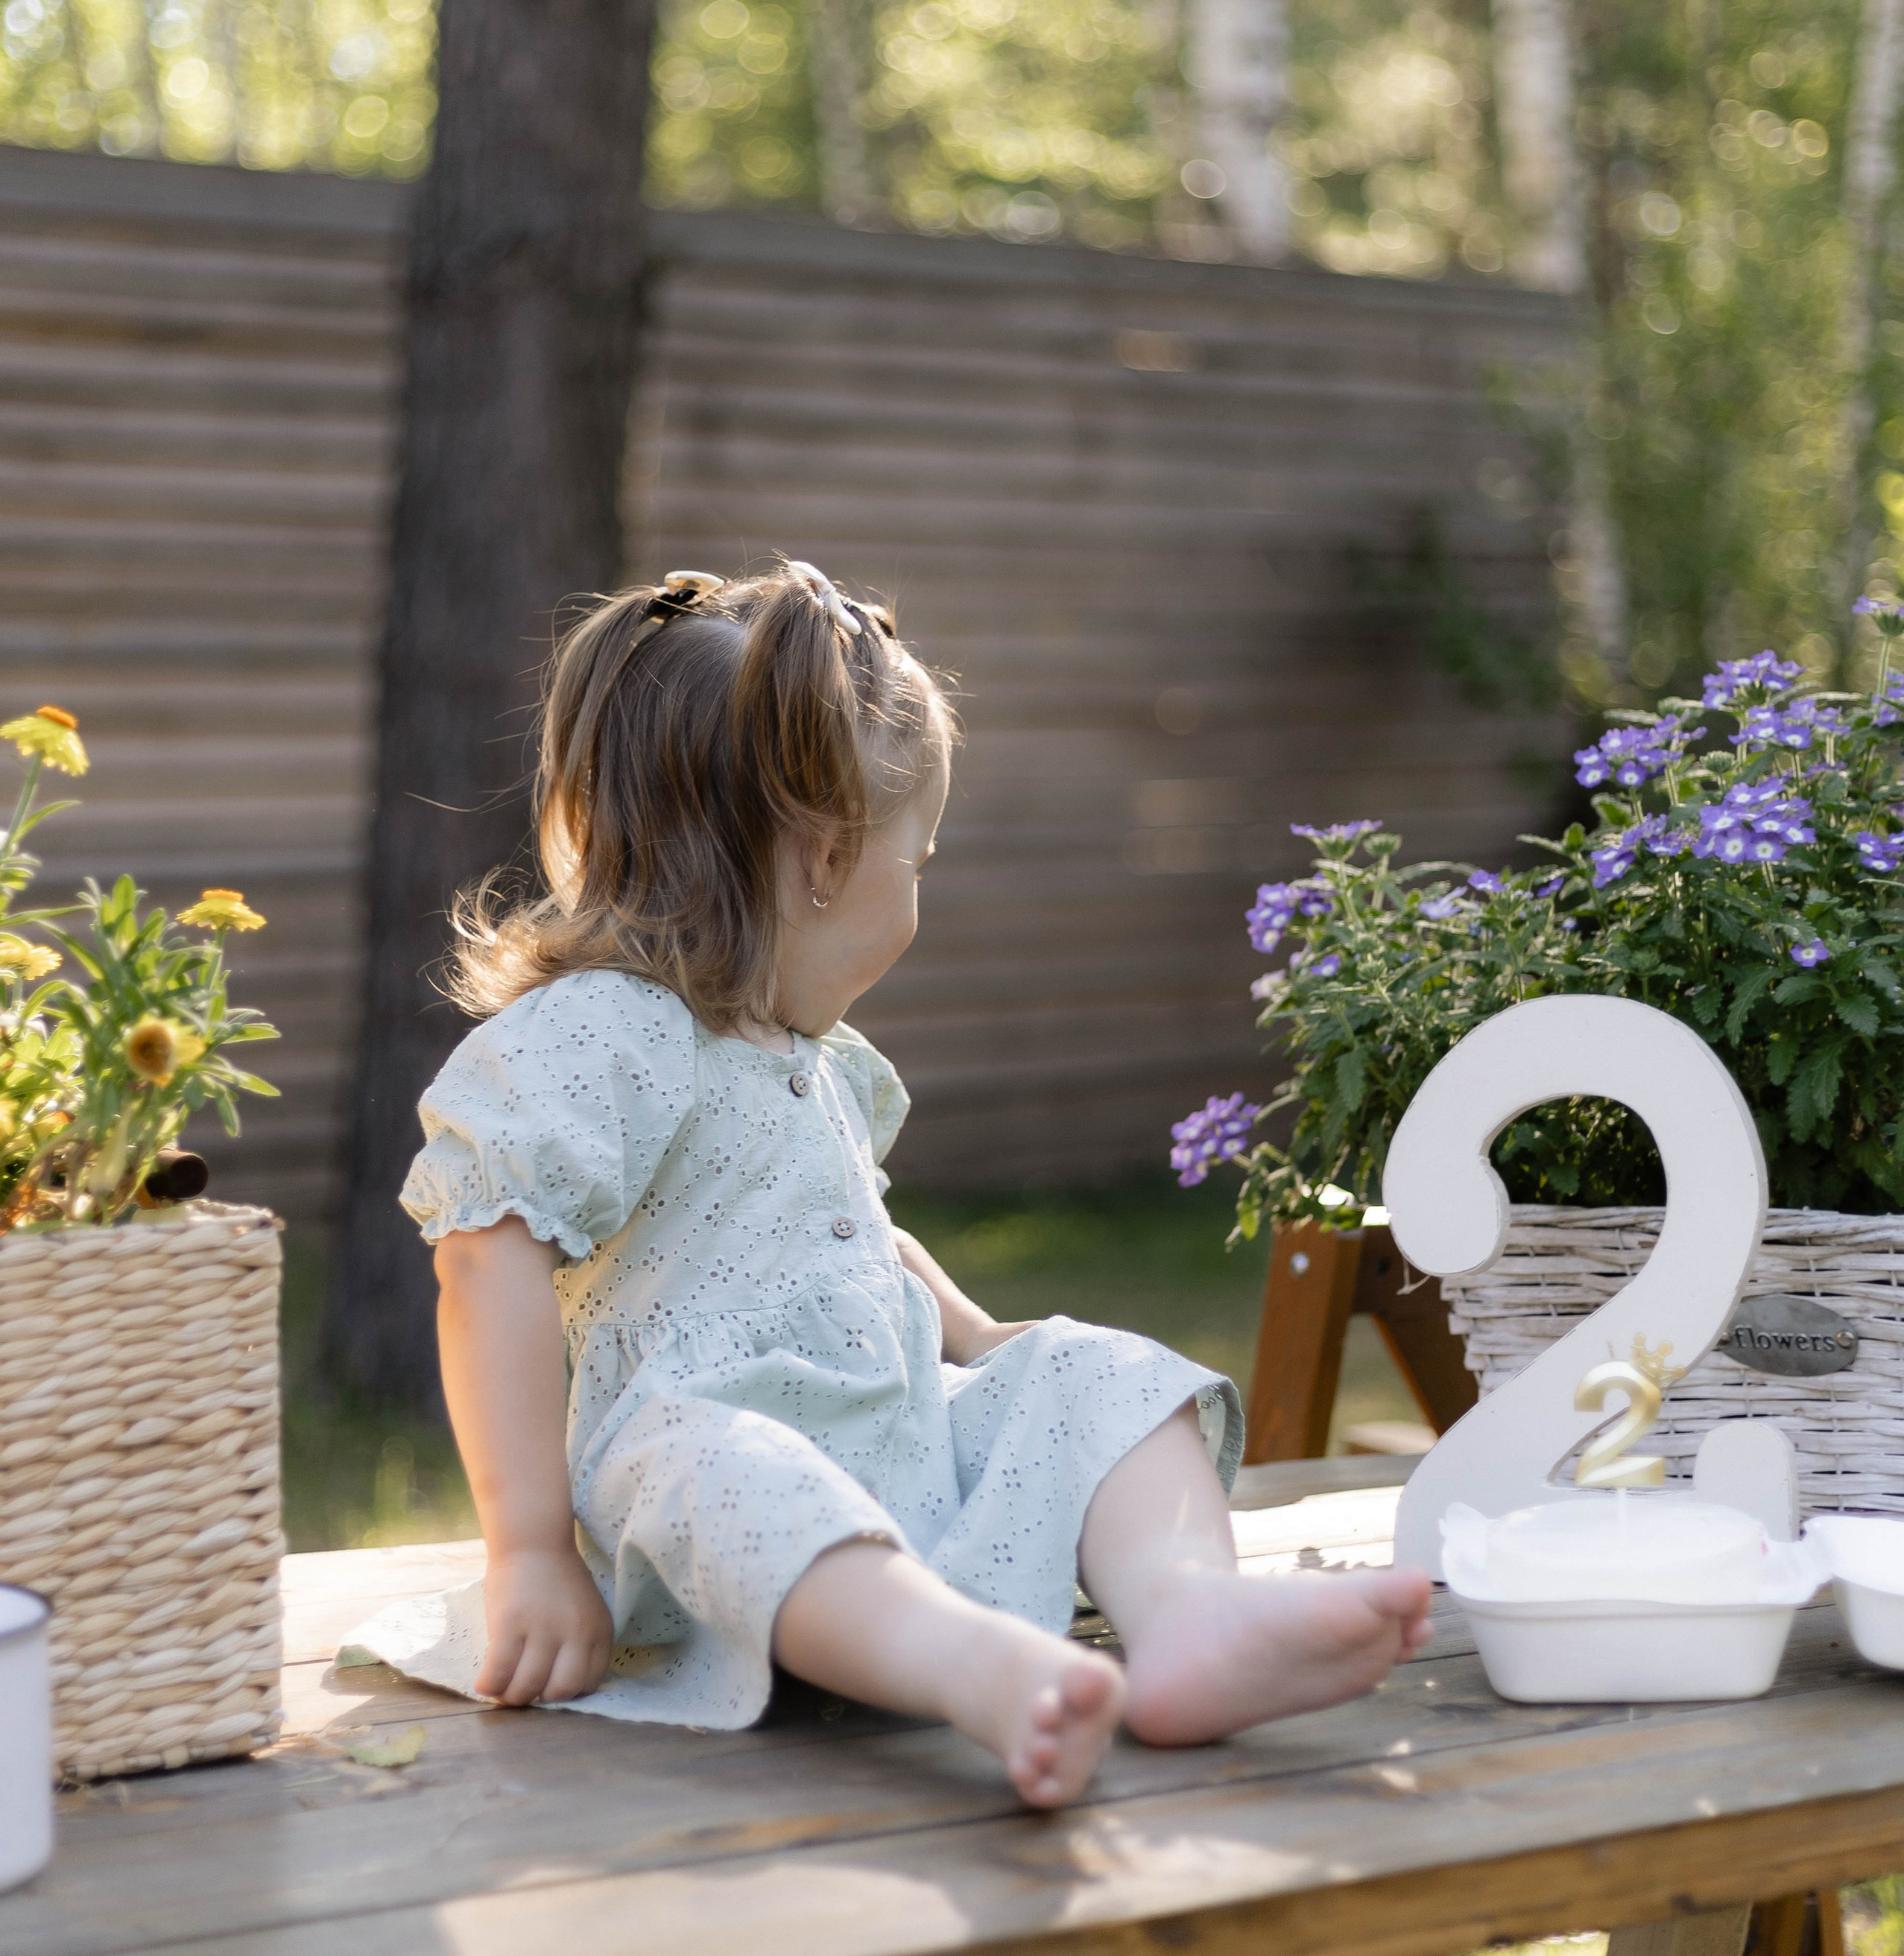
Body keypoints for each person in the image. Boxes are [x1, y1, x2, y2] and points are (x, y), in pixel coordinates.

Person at [403, 560, 1431, 1809]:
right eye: (919, 856)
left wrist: (989, 1342)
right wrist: (528, 1547)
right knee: (727, 1469)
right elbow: (487, 1252)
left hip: (889, 1431)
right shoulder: (607, 1032)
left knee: (1092, 1369)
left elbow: (855, 1236)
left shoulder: (807, 1054)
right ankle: (973, 1668)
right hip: (701, 1490)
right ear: (827, 858)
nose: (919, 884)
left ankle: (1190, 1615)